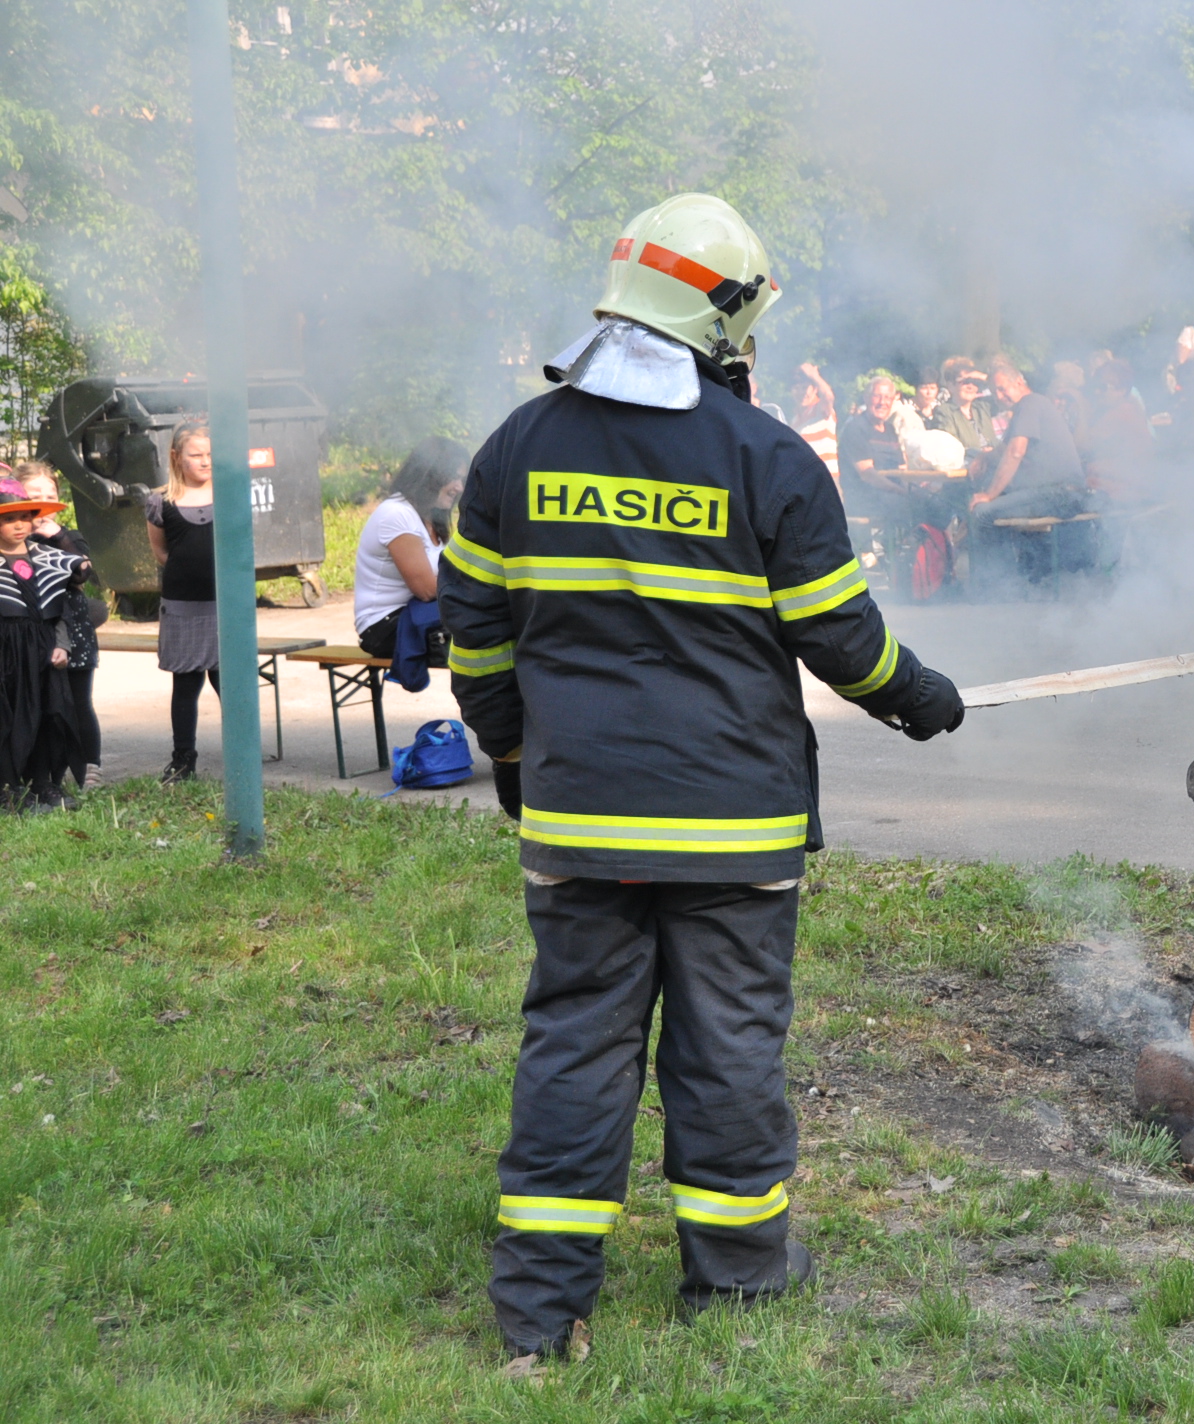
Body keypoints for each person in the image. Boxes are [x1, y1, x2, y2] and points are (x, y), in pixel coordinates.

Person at [439, 193, 963, 1373]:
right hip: (734, 824)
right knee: (727, 1048)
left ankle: (539, 1316)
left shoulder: (517, 445)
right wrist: (918, 696)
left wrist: (513, 750)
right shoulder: (764, 454)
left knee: (575, 1042)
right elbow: (840, 636)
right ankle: (732, 1283)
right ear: (724, 319)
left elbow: (471, 629)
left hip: (578, 819)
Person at [0, 474, 88, 812]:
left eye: (24, 517)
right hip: (6, 652)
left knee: (50, 715)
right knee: (8, 719)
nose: (19, 525)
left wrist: (61, 644)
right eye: (8, 519)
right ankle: (8, 790)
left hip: (44, 647)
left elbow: (64, 599)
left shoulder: (47, 557)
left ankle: (45, 784)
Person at [144, 420, 221, 784]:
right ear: (176, 458)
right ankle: (183, 760)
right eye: (196, 455)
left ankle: (243, 753)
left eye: (209, 454)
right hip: (183, 609)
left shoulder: (229, 493)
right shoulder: (160, 501)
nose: (205, 461)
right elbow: (161, 552)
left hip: (224, 609)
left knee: (230, 685)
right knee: (186, 687)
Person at [16, 464, 102, 788]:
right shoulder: (13, 540)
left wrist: (59, 536)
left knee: (79, 702)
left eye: (50, 495)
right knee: (41, 704)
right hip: (35, 633)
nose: (42, 503)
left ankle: (90, 769)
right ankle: (45, 772)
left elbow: (82, 572)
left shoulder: (69, 537)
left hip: (75, 631)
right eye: (33, 496)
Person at [355, 438, 468, 664]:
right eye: (454, 477)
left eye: (463, 479)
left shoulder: (429, 516)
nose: (460, 487)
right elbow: (426, 590)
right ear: (429, 475)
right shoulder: (396, 514)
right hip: (384, 627)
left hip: (416, 617)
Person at [969, 362, 1086, 522]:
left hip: (1061, 495)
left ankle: (983, 548)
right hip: (1057, 493)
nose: (998, 396)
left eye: (1002, 389)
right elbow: (1004, 449)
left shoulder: (1030, 403)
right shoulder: (1030, 406)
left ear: (1018, 382)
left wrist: (989, 495)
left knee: (982, 511)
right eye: (994, 392)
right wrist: (984, 457)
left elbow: (1015, 452)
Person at [1083, 359, 1153, 498]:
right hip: (1129, 483)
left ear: (1122, 390)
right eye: (1094, 386)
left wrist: (1079, 405)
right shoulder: (1123, 408)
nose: (1096, 392)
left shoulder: (1122, 411)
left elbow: (1082, 445)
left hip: (1126, 489)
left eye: (1103, 387)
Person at [788, 364, 840, 487]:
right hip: (806, 481)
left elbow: (829, 396)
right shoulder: (794, 420)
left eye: (805, 387)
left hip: (826, 479)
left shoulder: (821, 409)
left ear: (815, 389)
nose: (801, 393)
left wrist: (814, 376)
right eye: (797, 388)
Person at [930, 366, 996, 456]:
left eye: (975, 382)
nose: (970, 386)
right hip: (967, 464)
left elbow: (1008, 393)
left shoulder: (983, 407)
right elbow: (950, 446)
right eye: (965, 382)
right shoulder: (944, 411)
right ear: (951, 386)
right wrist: (982, 454)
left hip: (993, 460)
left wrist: (984, 377)